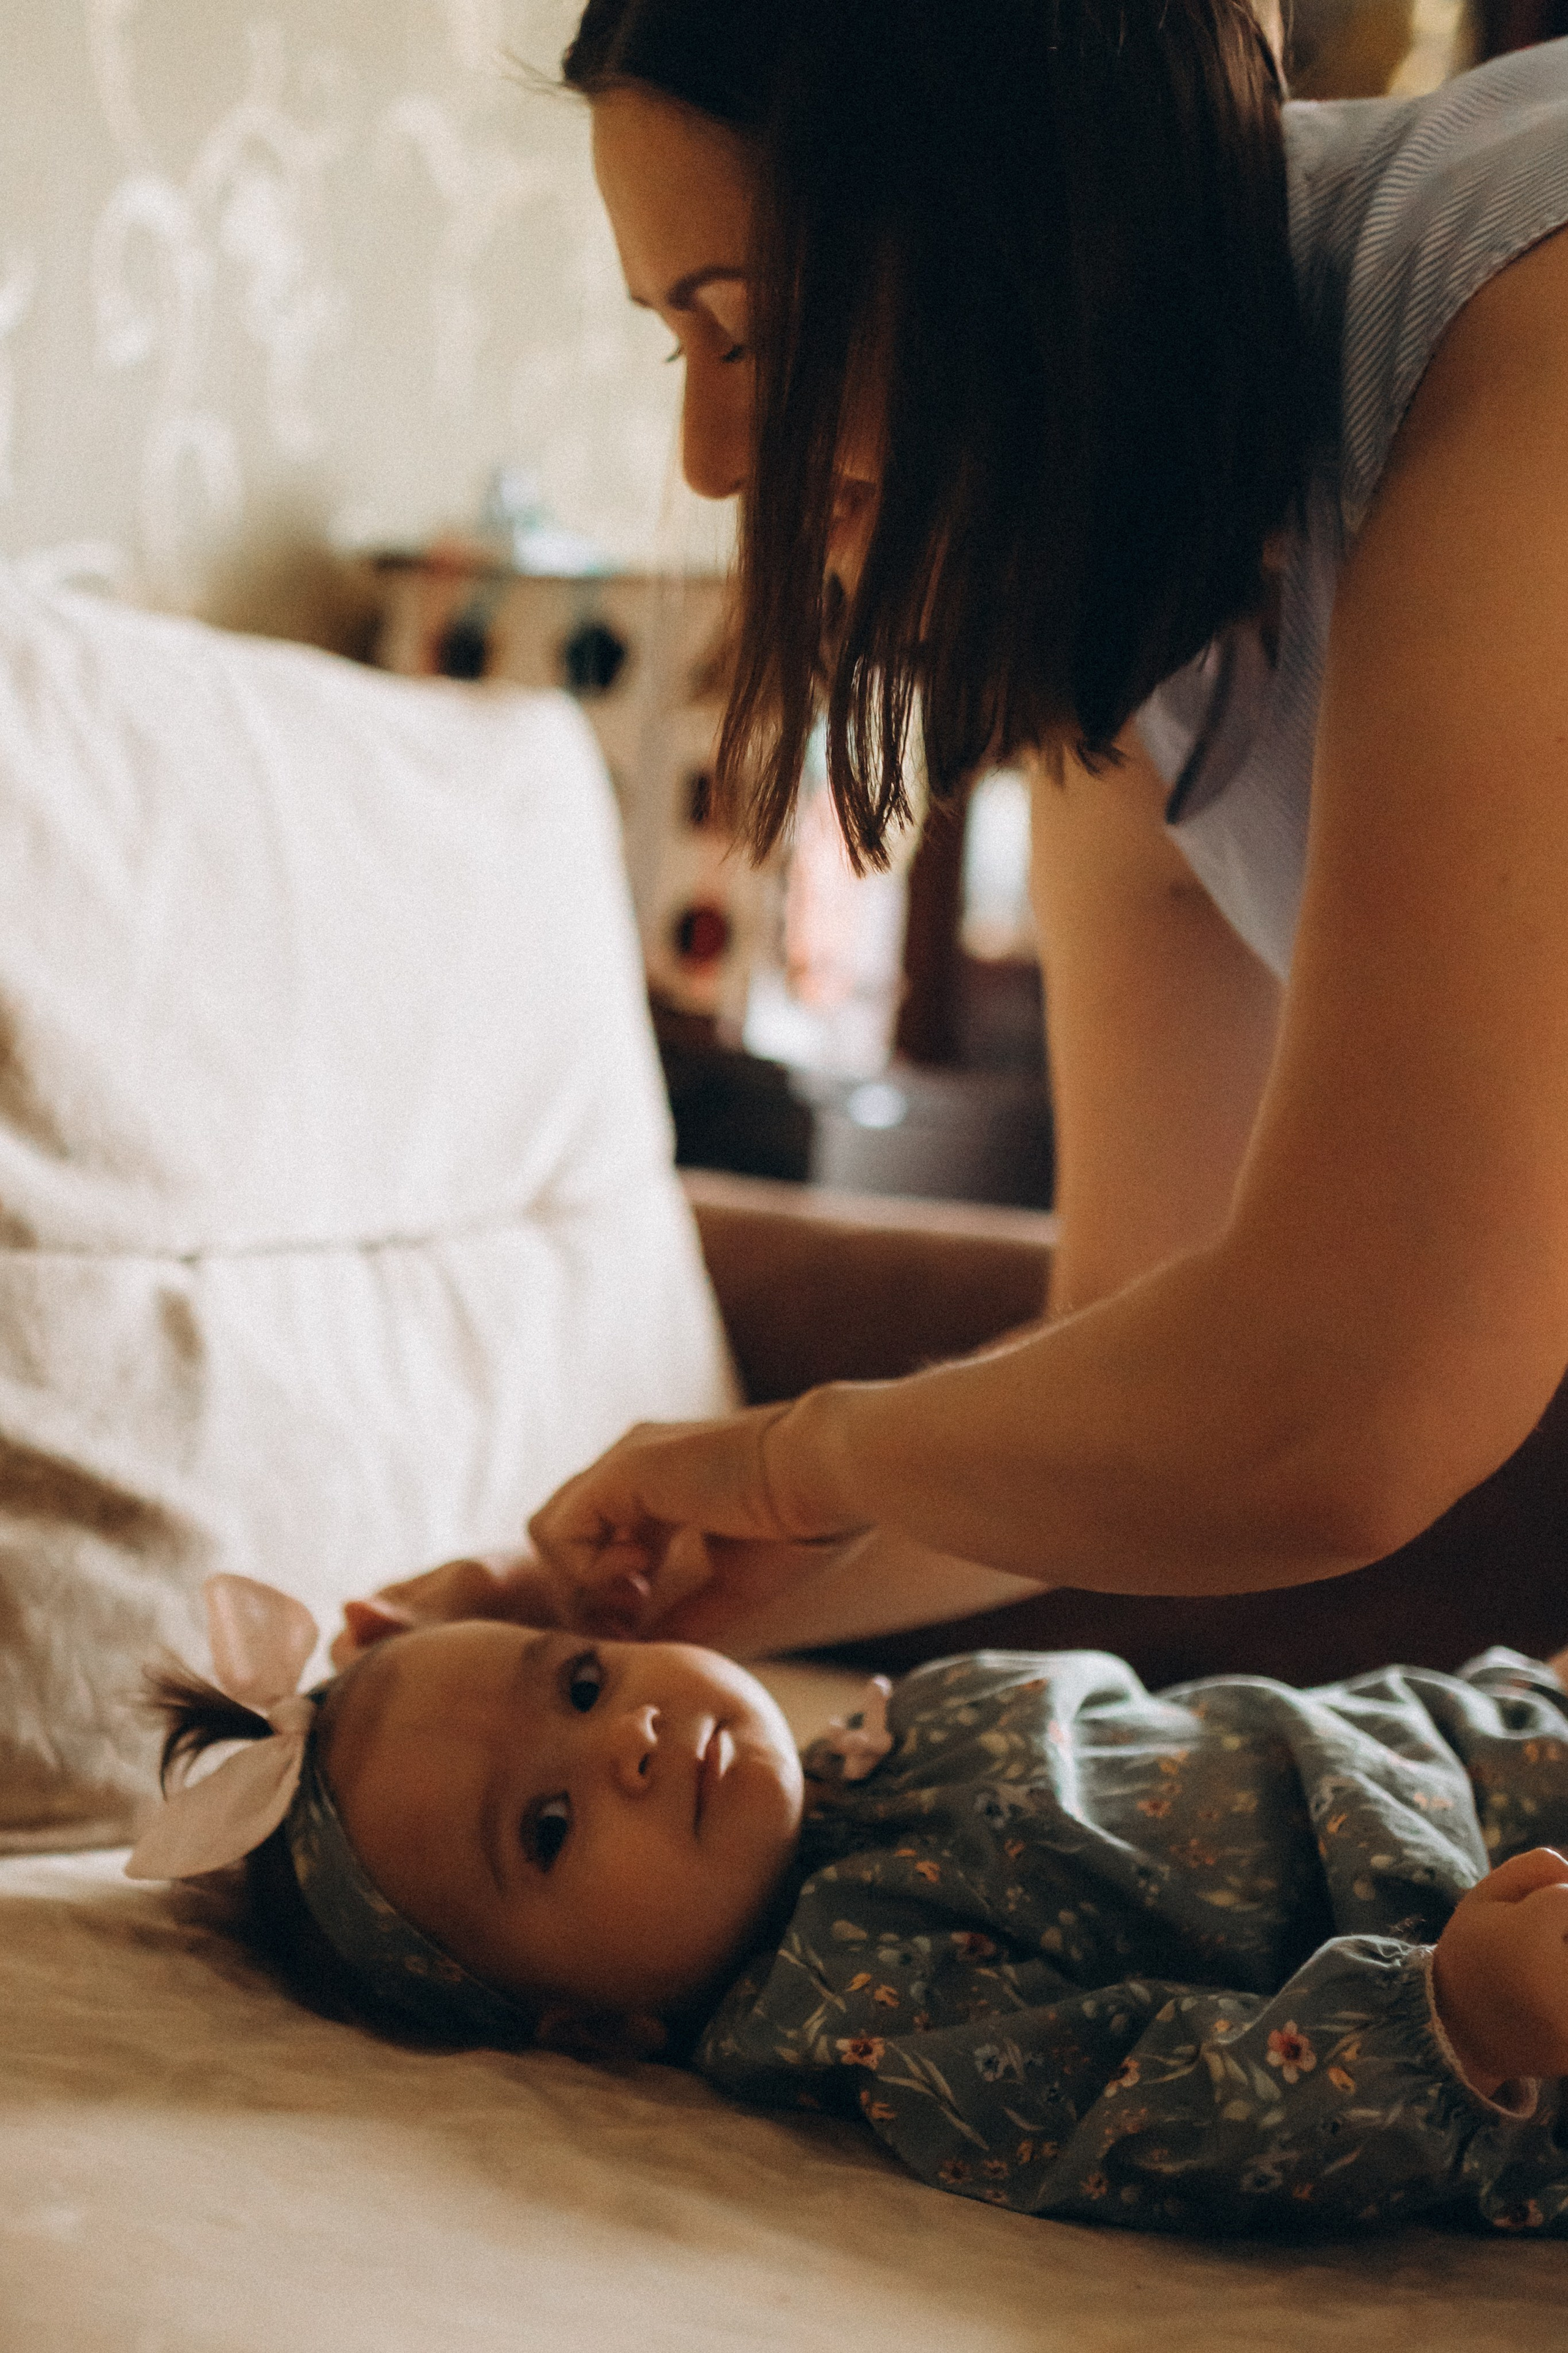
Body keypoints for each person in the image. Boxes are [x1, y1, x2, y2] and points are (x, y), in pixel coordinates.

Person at [489, 4, 1568, 1681]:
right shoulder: (1129, 646)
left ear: (1029, 239)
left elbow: (1346, 1396)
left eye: (753, 334)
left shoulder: (1519, 315)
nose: (711, 465)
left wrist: (786, 1456)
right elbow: (1144, 1353)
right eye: (675, 345)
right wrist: (646, 1599)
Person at [134, 1573, 1568, 2235]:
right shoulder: (871, 2012)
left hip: (1494, 1735)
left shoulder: (880, 1737)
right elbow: (1158, 2111)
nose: (623, 1737)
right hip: (1505, 1956)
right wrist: (1451, 2018)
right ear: (590, 2024)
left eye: (580, 1678)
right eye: (551, 1826)